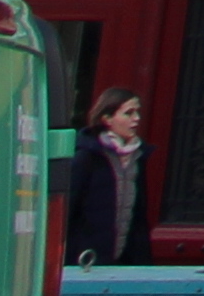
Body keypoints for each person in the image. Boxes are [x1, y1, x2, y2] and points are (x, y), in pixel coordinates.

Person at [64, 88, 152, 266]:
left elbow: (138, 216)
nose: (136, 119)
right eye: (128, 113)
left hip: (123, 262)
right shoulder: (87, 157)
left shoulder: (137, 158)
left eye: (137, 112)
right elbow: (67, 209)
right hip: (84, 260)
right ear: (107, 119)